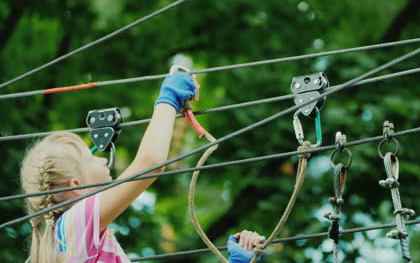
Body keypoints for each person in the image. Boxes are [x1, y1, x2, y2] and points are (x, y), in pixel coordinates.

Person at [20, 67, 265, 263]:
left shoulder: (68, 241)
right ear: (76, 185)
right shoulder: (74, 224)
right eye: (90, 156)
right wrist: (169, 97)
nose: (103, 158)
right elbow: (150, 163)